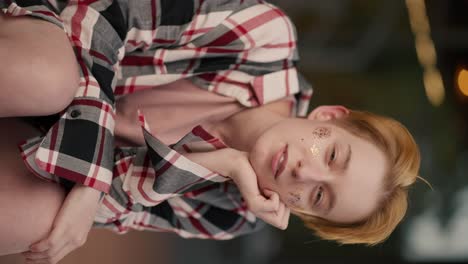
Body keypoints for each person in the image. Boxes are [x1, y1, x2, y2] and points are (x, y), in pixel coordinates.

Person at [0, 1, 421, 263]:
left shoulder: (233, 214)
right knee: (51, 79)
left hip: (34, 143)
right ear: (327, 118)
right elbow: (101, 17)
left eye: (318, 197)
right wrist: (91, 179)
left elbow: (101, 211)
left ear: (302, 214)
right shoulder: (264, 39)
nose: (304, 173)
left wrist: (216, 164)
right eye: (330, 156)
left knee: (44, 217)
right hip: (38, 44)